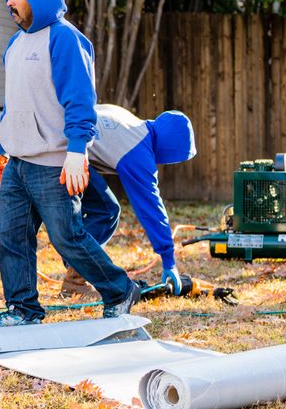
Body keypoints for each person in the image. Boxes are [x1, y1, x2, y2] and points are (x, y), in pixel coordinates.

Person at [0, 0, 141, 327]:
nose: (10, 1)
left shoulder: (64, 38)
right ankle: (22, 309)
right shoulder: (15, 44)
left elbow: (80, 100)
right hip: (18, 161)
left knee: (67, 238)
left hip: (54, 162)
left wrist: (77, 150)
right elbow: (14, 102)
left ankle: (120, 290)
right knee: (12, 238)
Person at [58, 104, 196, 298]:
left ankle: (77, 270)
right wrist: (168, 260)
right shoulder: (138, 152)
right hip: (64, 154)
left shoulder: (129, 121)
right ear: (170, 148)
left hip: (55, 141)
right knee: (106, 212)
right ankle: (75, 281)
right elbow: (151, 208)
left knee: (106, 209)